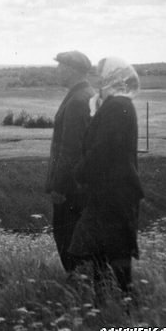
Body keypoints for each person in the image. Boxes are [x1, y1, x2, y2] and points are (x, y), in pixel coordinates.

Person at [69, 57, 144, 299]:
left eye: (101, 74)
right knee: (103, 248)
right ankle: (109, 301)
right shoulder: (118, 104)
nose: (98, 79)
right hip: (112, 191)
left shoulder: (116, 106)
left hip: (114, 192)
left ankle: (125, 303)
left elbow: (103, 148)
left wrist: (80, 171)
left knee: (114, 250)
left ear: (113, 77)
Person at [45, 50, 95, 274]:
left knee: (68, 240)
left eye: (60, 66)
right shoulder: (86, 94)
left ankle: (80, 288)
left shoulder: (77, 100)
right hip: (82, 185)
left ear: (71, 70)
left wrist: (59, 187)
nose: (57, 71)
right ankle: (86, 287)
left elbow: (70, 149)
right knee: (78, 240)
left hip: (71, 189)